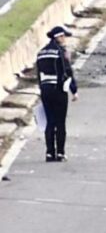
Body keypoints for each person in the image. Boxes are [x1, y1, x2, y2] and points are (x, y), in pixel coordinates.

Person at [36, 26, 79, 162]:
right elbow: (67, 72)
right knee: (60, 122)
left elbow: (38, 74)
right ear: (58, 37)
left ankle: (49, 153)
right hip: (59, 89)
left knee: (50, 122)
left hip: (45, 90)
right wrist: (74, 90)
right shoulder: (60, 52)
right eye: (63, 36)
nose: (64, 39)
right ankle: (60, 153)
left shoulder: (41, 53)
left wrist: (42, 89)